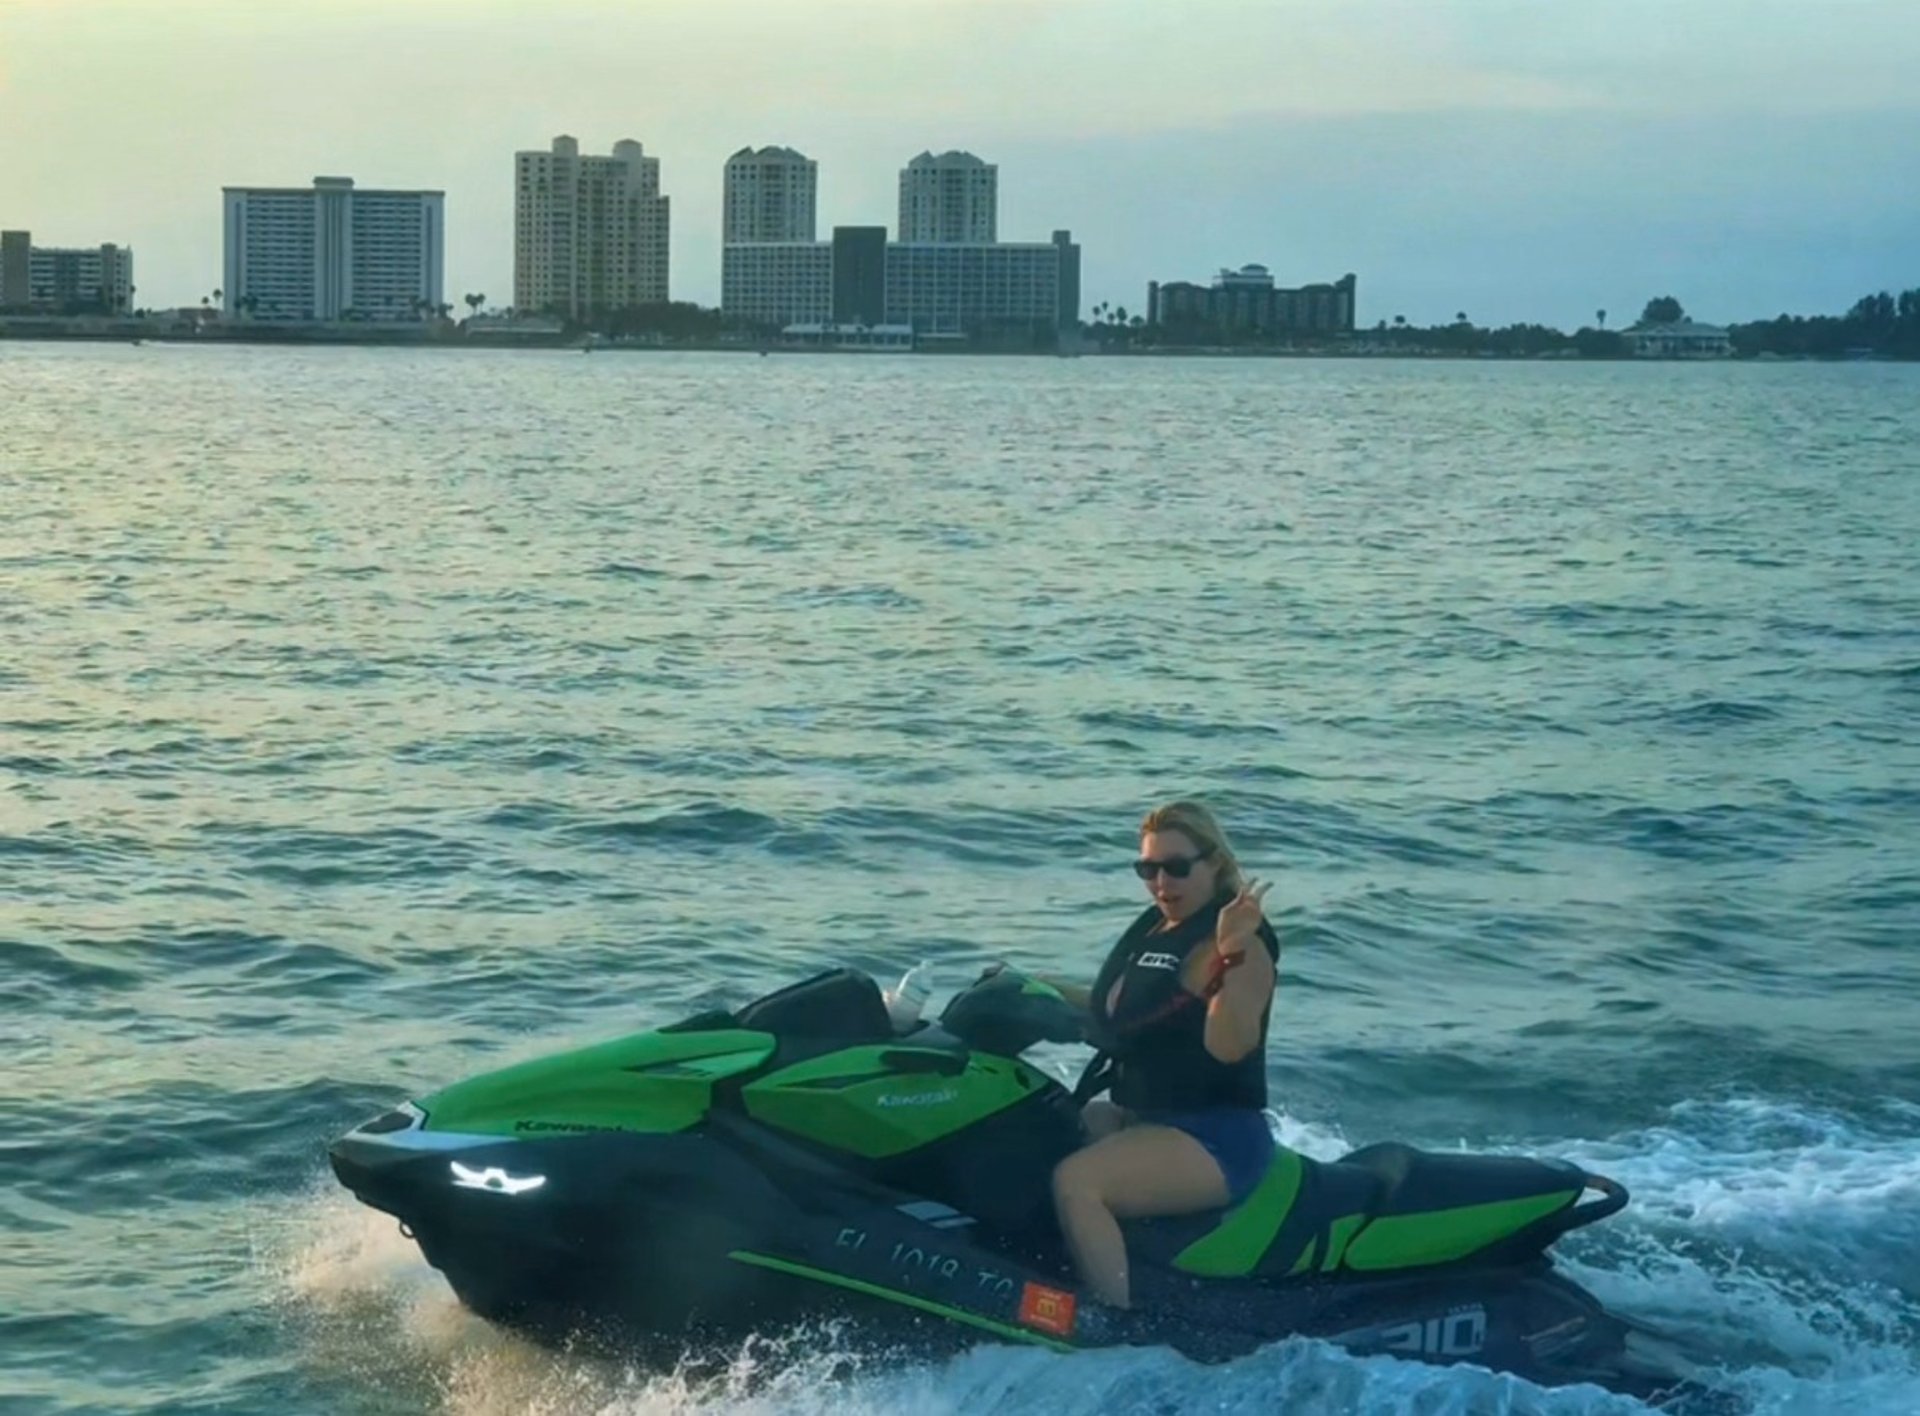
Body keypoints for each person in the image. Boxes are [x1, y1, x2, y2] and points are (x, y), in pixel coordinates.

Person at [1048, 800, 1279, 1312]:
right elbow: (1123, 1011)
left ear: (1214, 862)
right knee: (1037, 1123)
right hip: (1143, 1118)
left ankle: (1113, 1328)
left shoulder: (1242, 940)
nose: (1160, 882)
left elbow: (1229, 1045)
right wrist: (1029, 988)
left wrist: (1232, 954)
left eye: (1176, 867)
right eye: (1147, 869)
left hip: (1213, 1136)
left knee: (1077, 1183)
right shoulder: (1158, 925)